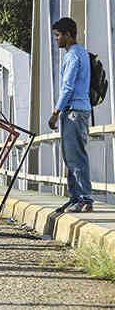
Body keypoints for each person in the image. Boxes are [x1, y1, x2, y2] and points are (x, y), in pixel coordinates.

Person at [48, 18, 94, 213]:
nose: (56, 39)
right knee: (71, 157)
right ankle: (75, 197)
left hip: (74, 111)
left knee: (75, 157)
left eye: (58, 35)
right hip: (79, 109)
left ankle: (84, 198)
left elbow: (68, 87)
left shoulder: (73, 55)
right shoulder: (81, 52)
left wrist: (55, 113)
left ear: (67, 35)